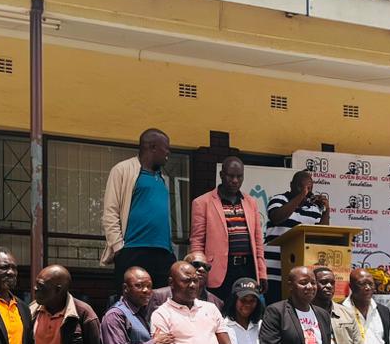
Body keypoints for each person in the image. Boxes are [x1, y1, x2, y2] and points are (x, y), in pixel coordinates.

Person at [101, 128, 175, 292]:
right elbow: (110, 211)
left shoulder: (161, 177)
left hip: (163, 253)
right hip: (133, 250)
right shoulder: (122, 170)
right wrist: (118, 248)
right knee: (130, 302)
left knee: (162, 302)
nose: (168, 152)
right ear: (152, 147)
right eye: (165, 148)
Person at [190, 157, 267, 304]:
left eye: (239, 176)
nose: (235, 180)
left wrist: (262, 273)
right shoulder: (202, 202)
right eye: (231, 176)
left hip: (247, 268)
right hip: (217, 270)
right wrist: (199, 270)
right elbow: (197, 242)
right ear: (221, 175)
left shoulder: (251, 202)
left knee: (247, 310)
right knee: (218, 311)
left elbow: (258, 242)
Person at [265, 171, 328, 303]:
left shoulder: (314, 208)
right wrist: (301, 196)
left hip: (301, 276)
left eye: (309, 188)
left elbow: (321, 234)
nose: (305, 190)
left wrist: (326, 211)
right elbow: (276, 217)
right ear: (291, 185)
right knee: (275, 309)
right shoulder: (278, 200)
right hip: (274, 273)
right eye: (301, 187)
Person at [149, 248, 223, 311]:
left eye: (206, 267)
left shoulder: (216, 302)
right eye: (196, 264)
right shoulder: (159, 297)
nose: (202, 269)